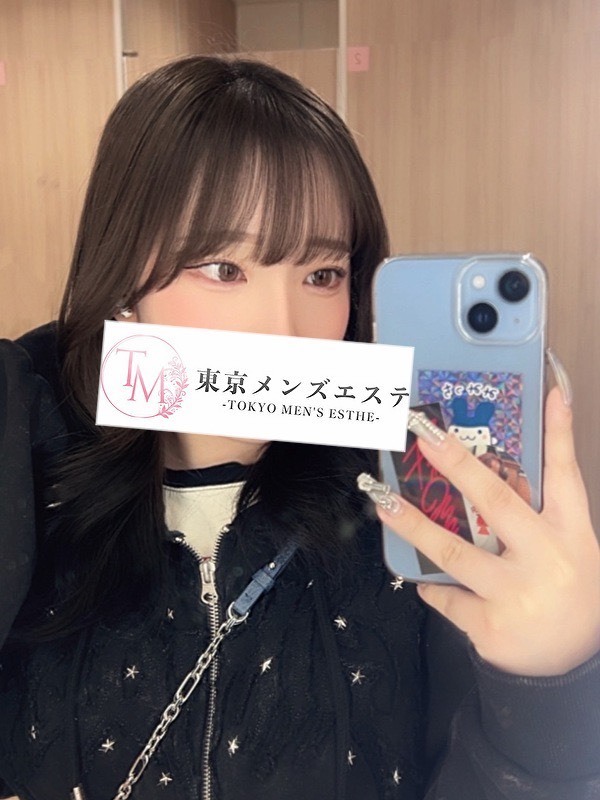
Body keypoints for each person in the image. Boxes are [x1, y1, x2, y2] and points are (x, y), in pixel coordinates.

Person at [0, 55, 598, 800]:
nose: (283, 330)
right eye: (223, 268)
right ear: (122, 271)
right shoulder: (25, 448)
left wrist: (550, 684)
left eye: (322, 275)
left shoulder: (411, 494)